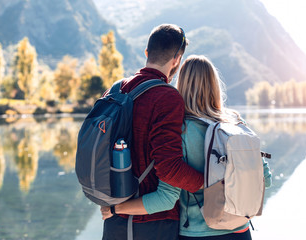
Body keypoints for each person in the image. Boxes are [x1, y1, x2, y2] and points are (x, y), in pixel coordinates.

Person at [102, 55, 272, 240]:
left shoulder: (179, 130)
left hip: (198, 233)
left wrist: (116, 208)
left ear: (181, 85)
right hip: (241, 230)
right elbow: (266, 180)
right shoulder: (236, 122)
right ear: (214, 85)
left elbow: (165, 199)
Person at [101, 24, 204, 240]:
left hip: (113, 217)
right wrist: (207, 183)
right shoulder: (167, 97)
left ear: (146, 53)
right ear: (177, 59)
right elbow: (169, 169)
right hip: (153, 222)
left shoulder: (115, 89)